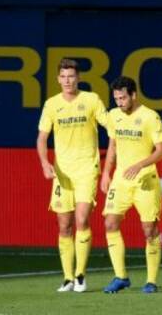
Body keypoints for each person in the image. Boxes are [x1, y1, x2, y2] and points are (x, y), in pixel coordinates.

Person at [36, 58, 107, 293]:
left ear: (78, 78)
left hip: (86, 169)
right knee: (64, 225)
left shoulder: (91, 100)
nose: (67, 81)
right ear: (58, 79)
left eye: (71, 76)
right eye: (63, 77)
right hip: (62, 173)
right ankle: (67, 278)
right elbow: (42, 138)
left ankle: (80, 275)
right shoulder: (51, 104)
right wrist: (45, 162)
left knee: (82, 219)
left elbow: (110, 126)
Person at [100, 76, 162, 294]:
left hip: (145, 180)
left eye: (123, 98)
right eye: (116, 99)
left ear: (134, 95)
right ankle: (121, 277)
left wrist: (140, 164)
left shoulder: (150, 117)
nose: (119, 102)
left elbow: (161, 151)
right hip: (120, 180)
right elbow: (113, 145)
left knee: (149, 230)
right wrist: (106, 173)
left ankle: (151, 281)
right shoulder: (113, 115)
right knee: (110, 223)